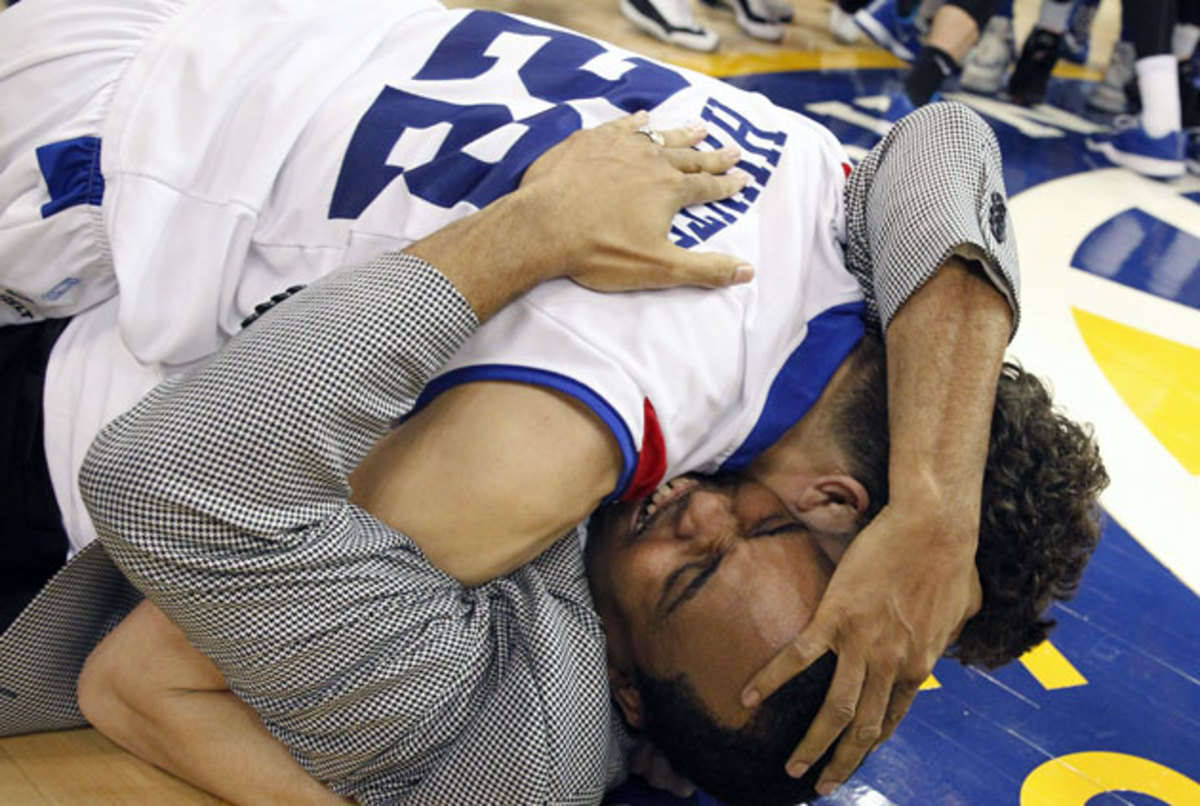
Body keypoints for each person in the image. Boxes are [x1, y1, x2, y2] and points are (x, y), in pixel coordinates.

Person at [0, 0, 1026, 801]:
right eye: (744, 532)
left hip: (254, 64)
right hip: (109, 143)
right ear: (842, 502)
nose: (695, 509)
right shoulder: (559, 450)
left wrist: (940, 500)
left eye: (690, 573)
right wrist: (532, 231)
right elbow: (151, 583)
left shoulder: (840, 211)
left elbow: (947, 141)